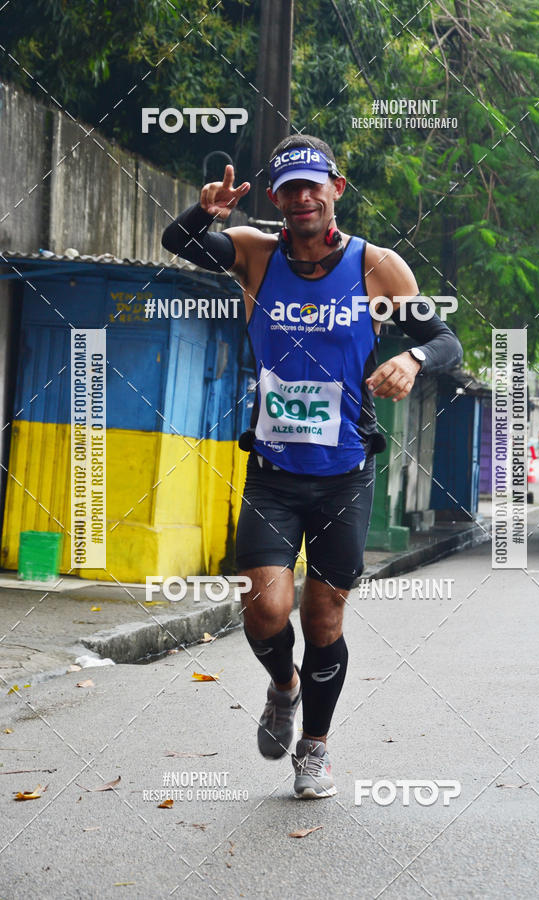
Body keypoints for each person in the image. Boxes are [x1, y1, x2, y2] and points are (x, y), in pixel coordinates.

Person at [162, 135, 463, 799]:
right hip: (272, 469)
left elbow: (445, 339)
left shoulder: (376, 269)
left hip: (344, 473)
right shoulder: (254, 254)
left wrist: (412, 361)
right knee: (265, 609)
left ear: (336, 190)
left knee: (324, 619)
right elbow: (177, 242)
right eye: (290, 188)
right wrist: (202, 212)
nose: (303, 198)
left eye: (313, 186)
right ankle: (283, 685)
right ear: (275, 199)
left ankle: (316, 748)